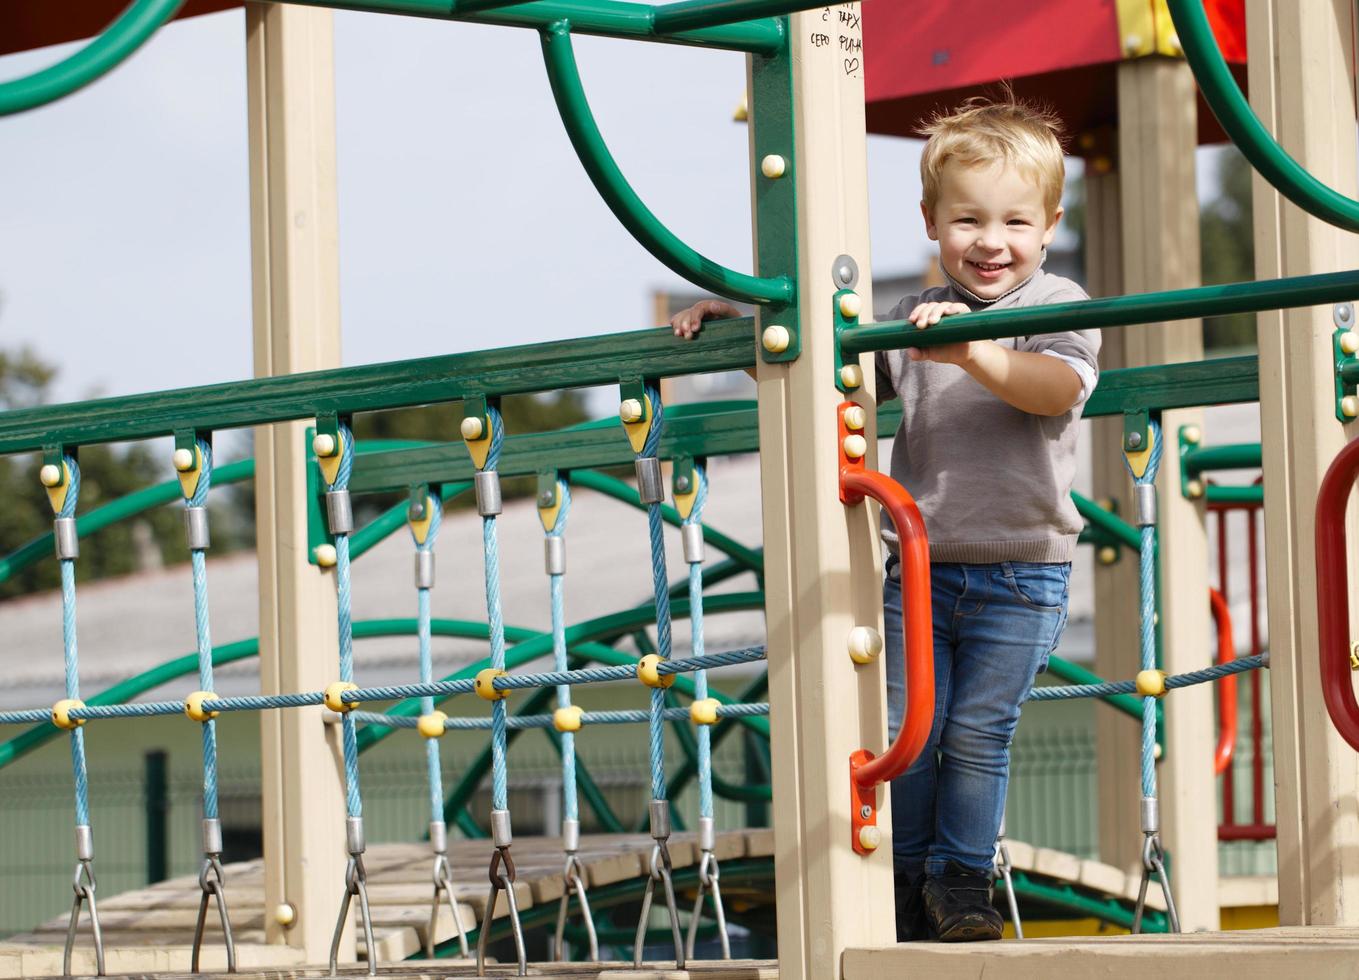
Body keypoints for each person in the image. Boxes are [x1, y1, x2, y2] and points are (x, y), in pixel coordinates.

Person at [669, 97, 1099, 942]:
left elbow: (1055, 391)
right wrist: (751, 332)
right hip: (921, 565)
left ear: (1049, 226)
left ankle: (961, 884)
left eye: (1014, 221)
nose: (990, 241)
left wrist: (974, 351)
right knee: (908, 730)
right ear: (931, 222)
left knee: (978, 732)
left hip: (1023, 568)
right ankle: (905, 882)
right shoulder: (917, 319)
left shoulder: (1056, 301)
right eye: (967, 218)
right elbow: (842, 383)